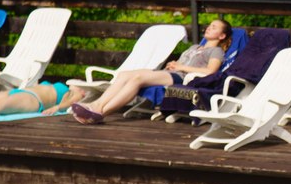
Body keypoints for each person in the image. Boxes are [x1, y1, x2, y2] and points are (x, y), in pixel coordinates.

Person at [71, 19, 232, 124]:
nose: (209, 28)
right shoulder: (195, 47)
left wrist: (181, 67)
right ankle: (95, 105)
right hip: (172, 72)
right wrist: (175, 63)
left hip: (182, 78)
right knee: (124, 75)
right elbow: (183, 63)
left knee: (137, 79)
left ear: (222, 35)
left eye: (214, 27)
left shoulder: (216, 51)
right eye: (209, 25)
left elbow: (210, 71)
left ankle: (101, 112)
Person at [0, 81, 86, 120]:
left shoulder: (78, 94)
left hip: (33, 99)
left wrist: (57, 107)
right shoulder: (67, 86)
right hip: (19, 91)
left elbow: (71, 103)